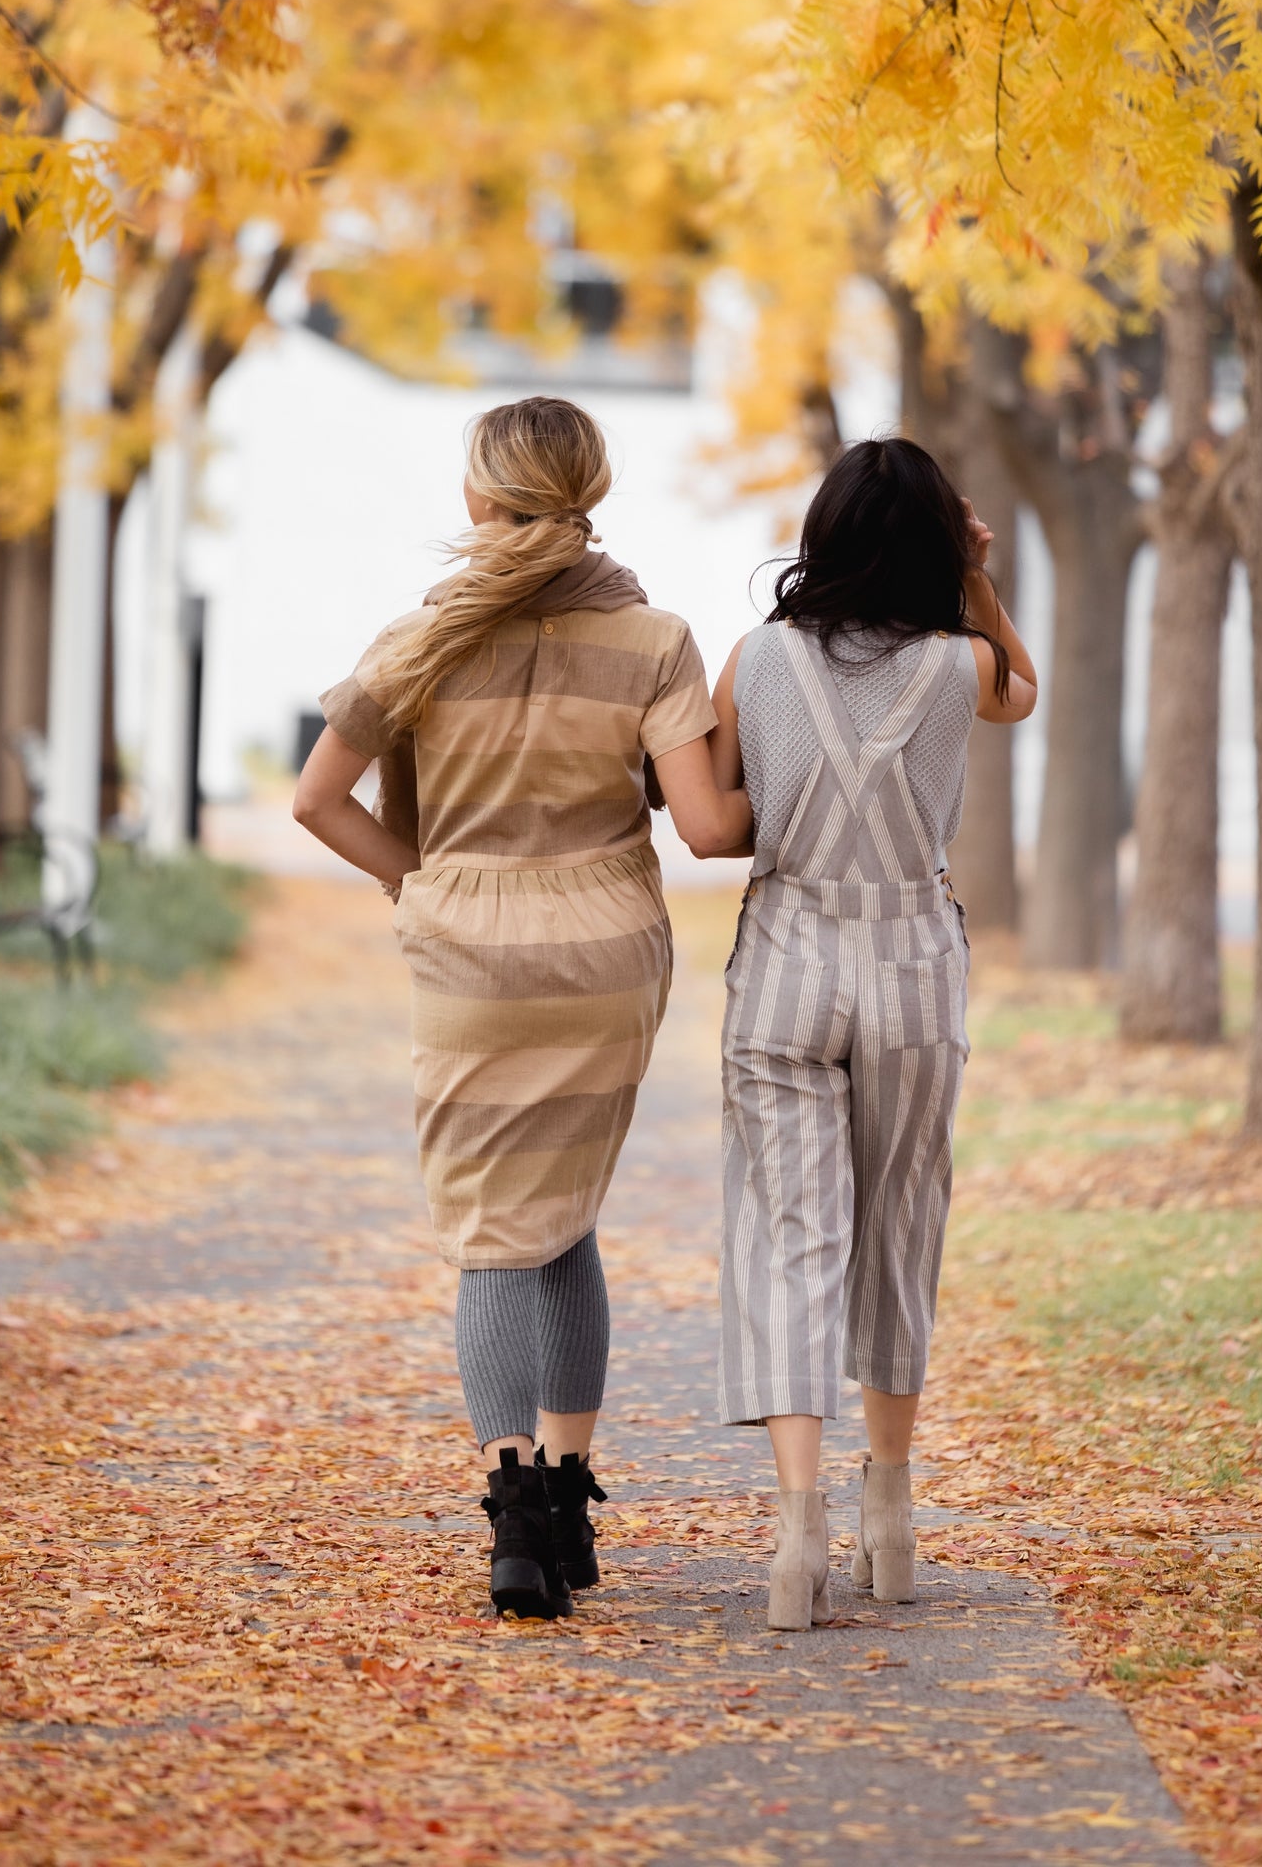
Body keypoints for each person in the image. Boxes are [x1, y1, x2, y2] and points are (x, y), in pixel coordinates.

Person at [294, 396, 752, 1620]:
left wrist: (420, 878)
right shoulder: (655, 640)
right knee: (564, 1213)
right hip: (605, 947)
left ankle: (512, 1514)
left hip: (469, 954)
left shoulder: (419, 640)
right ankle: (567, 1490)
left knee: (494, 1228)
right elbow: (705, 816)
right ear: (590, 490)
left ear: (474, 496)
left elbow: (315, 799)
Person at [707, 436, 1037, 1631]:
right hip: (909, 964)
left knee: (792, 1232)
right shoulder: (962, 665)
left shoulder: (754, 657)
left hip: (788, 958)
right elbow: (1023, 686)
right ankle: (888, 1517)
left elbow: (724, 801)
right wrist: (976, 576)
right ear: (932, 548)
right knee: (898, 1221)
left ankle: (797, 1530)